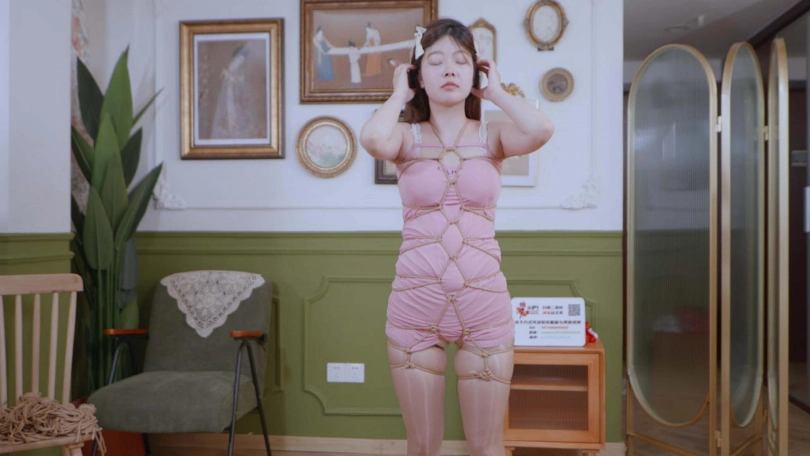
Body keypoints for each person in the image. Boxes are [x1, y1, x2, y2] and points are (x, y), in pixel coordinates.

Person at [359, 18, 554, 456]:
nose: (449, 69)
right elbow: (372, 138)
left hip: (484, 304)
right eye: (436, 61)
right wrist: (399, 94)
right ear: (418, 75)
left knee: (486, 447)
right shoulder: (404, 138)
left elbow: (541, 130)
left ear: (475, 73)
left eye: (461, 61)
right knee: (422, 446)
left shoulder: (493, 136)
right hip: (415, 303)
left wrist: (497, 93)